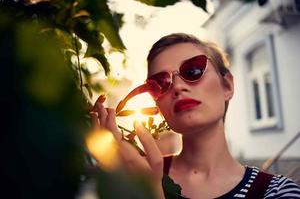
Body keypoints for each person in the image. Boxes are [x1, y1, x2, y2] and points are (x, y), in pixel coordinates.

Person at [91, 33, 300, 198]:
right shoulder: (135, 173)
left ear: (227, 85)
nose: (178, 87)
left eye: (193, 71)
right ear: (157, 104)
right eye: (160, 84)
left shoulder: (278, 192)